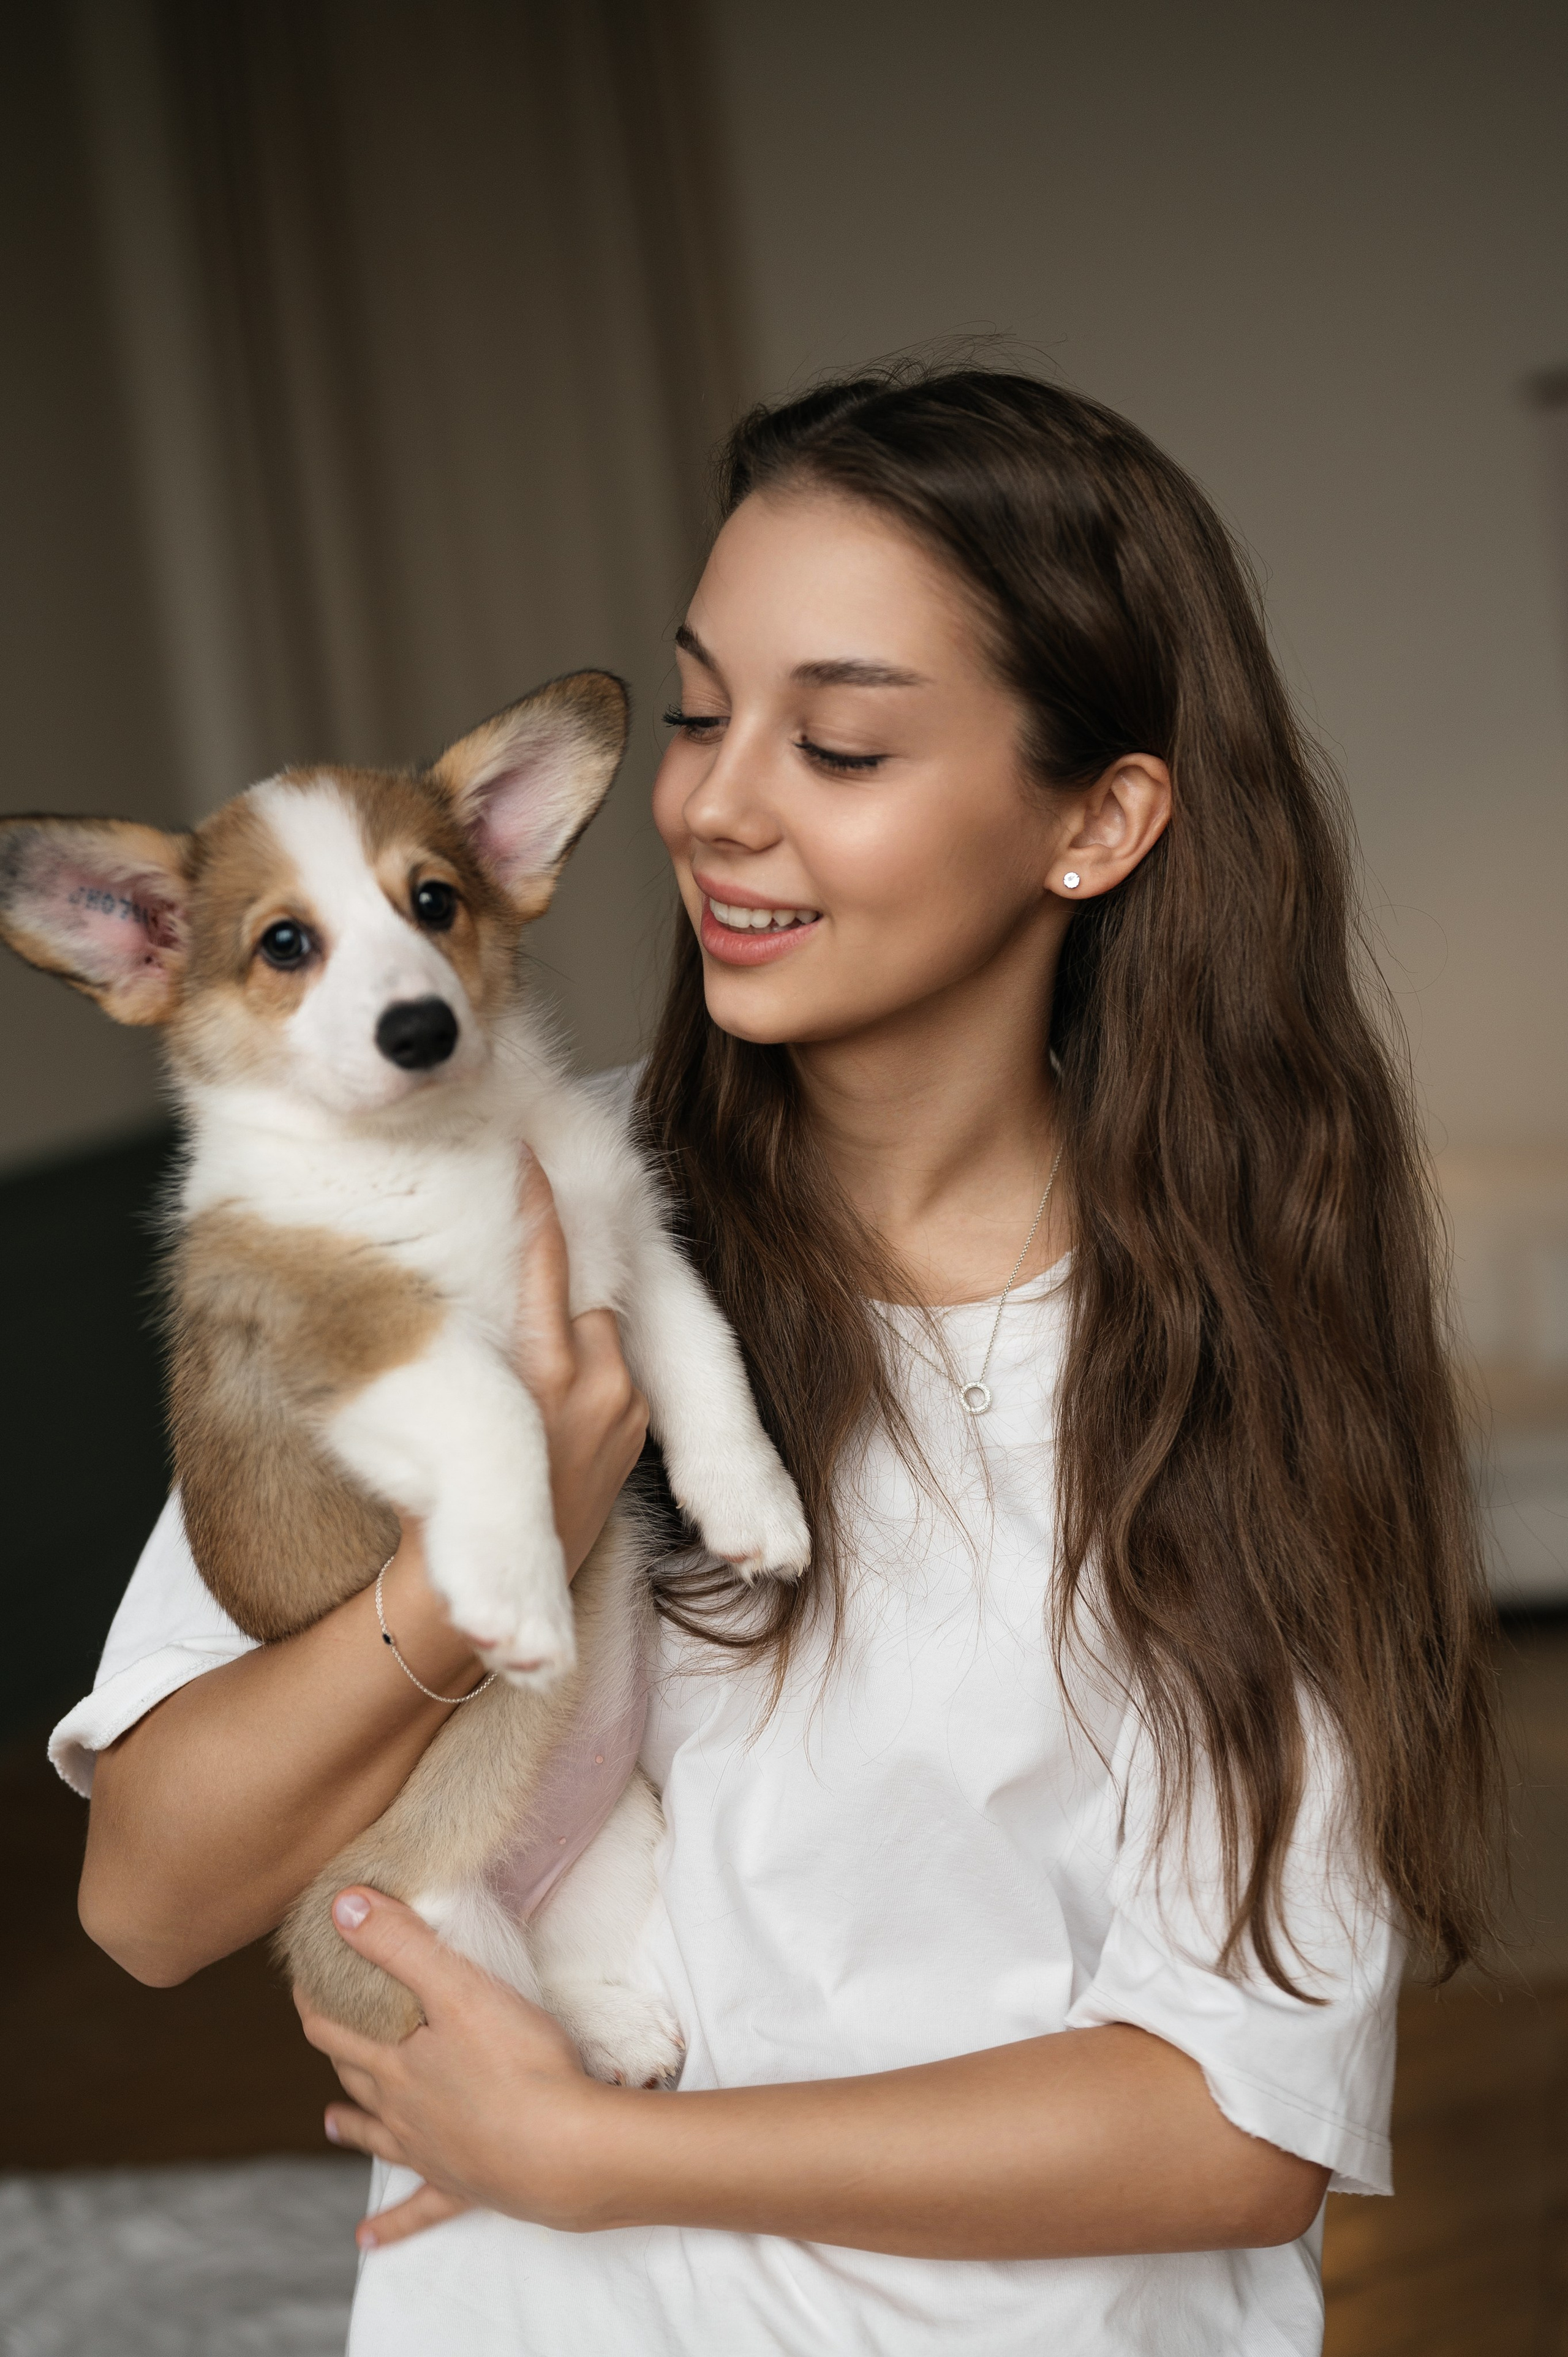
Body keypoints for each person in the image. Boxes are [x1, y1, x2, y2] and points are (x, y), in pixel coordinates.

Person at [53, 368, 1498, 2356]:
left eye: (837, 741)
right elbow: (146, 1901)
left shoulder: (1233, 1342)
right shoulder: (481, 1187)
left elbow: (1240, 2122)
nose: (713, 802)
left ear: (1097, 819)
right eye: (710, 712)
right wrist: (478, 1566)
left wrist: (602, 2157)